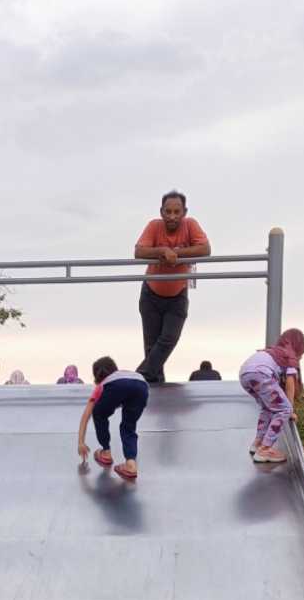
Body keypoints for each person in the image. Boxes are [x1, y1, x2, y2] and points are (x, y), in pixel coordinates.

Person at [134, 191, 211, 384]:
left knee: (168, 339)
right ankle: (152, 391)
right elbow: (139, 251)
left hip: (177, 295)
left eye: (177, 211)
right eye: (168, 211)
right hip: (151, 293)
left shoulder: (190, 225)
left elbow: (205, 249)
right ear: (161, 212)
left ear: (184, 212)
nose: (172, 216)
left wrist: (178, 253)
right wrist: (162, 251)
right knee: (152, 347)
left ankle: (138, 376)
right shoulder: (154, 226)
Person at [238, 329, 304, 464]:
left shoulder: (273, 351)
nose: (300, 358)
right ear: (297, 346)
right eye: (301, 354)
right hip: (260, 374)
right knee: (284, 409)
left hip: (245, 374)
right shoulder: (289, 356)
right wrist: (290, 410)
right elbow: (290, 383)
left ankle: (257, 443)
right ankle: (265, 449)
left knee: (267, 408)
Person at [77, 355, 150, 483]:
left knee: (99, 414)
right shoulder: (122, 375)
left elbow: (86, 415)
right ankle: (131, 464)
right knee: (128, 426)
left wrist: (81, 442)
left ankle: (106, 452)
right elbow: (127, 388)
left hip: (119, 387)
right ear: (114, 368)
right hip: (142, 385)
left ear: (97, 377)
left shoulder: (105, 384)